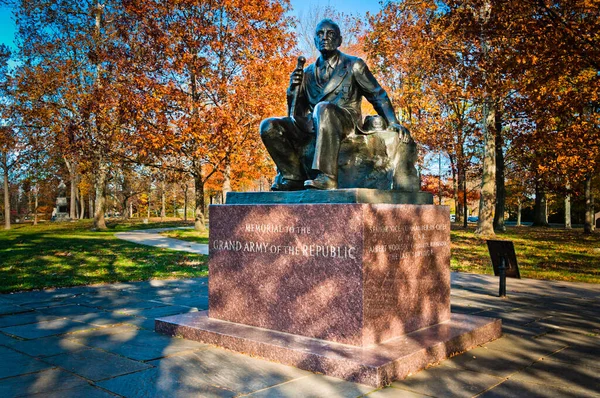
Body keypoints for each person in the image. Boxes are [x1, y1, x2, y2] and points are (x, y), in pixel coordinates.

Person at [260, 19, 411, 191]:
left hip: (346, 121)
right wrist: (293, 91)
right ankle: (292, 175)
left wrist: (392, 121)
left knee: (323, 108)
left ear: (339, 40)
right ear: (315, 40)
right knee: (269, 125)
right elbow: (297, 115)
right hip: (314, 123)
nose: (325, 37)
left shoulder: (354, 65)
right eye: (320, 34)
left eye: (330, 34)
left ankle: (328, 177)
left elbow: (377, 94)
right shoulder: (307, 72)